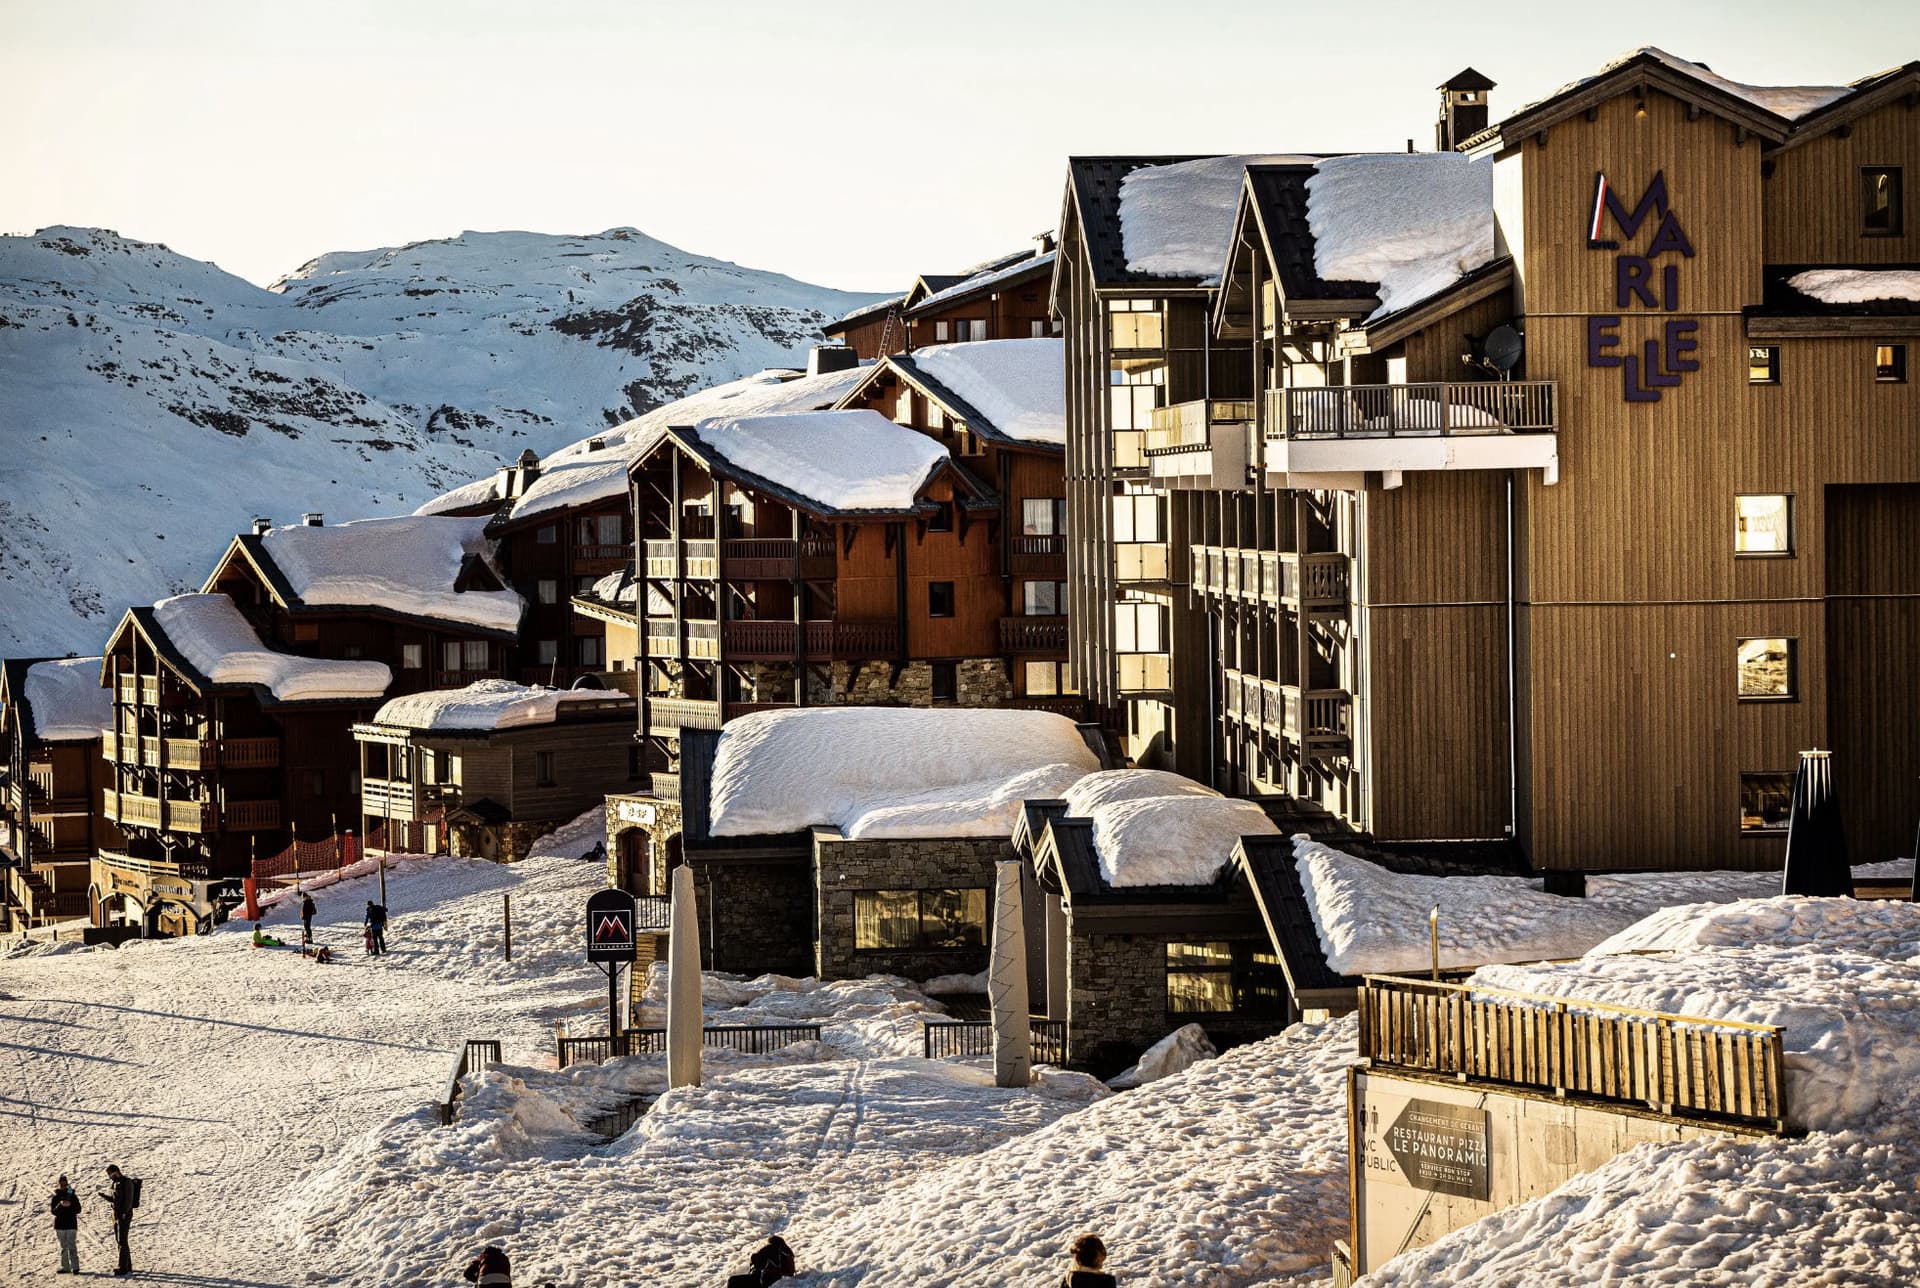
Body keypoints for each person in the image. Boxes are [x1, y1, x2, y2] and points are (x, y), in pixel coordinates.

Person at [97, 1164, 135, 1277]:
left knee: (122, 1241)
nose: (110, 1177)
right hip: (117, 1215)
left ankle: (123, 1268)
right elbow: (115, 1199)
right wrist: (104, 1196)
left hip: (123, 1215)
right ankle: (127, 1265)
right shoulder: (116, 1183)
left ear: (116, 1172)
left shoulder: (126, 1182)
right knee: (120, 1240)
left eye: (110, 1174)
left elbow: (128, 1200)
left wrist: (124, 1213)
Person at [725, 1235, 794, 1287]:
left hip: (763, 1280)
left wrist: (755, 1258)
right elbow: (790, 1272)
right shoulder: (787, 1253)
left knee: (732, 1280)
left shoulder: (771, 1249)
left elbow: (758, 1262)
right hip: (770, 1279)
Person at [49, 1175, 81, 1274]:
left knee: (71, 1246)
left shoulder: (72, 1196)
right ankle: (66, 1267)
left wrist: (70, 1205)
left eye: (64, 1183)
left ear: (67, 1183)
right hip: (60, 1225)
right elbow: (53, 1211)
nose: (63, 1185)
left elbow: (78, 1209)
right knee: (64, 1247)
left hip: (71, 1225)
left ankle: (75, 1267)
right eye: (61, 1183)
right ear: (59, 1184)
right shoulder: (56, 1197)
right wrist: (60, 1205)